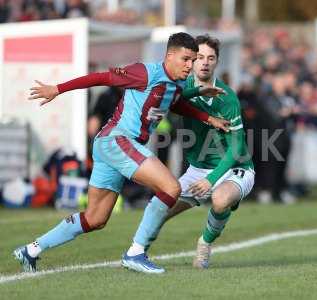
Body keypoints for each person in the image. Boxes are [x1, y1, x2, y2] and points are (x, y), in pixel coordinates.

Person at [14, 32, 230, 274]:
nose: (190, 66)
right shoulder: (145, 72)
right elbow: (102, 77)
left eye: (194, 60)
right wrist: (58, 88)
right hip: (118, 141)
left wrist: (207, 117)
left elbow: (174, 103)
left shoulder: (178, 83)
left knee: (95, 219)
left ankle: (30, 250)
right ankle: (136, 253)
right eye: (186, 59)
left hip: (111, 147)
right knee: (171, 188)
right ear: (170, 55)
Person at [144, 35, 255, 269]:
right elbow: (171, 102)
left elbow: (236, 148)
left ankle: (204, 244)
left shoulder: (228, 98)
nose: (205, 62)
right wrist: (198, 92)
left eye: (211, 58)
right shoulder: (183, 87)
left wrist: (211, 180)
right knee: (158, 209)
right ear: (192, 60)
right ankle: (137, 252)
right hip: (197, 169)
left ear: (217, 62)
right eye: (200, 57)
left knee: (220, 199)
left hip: (235, 168)